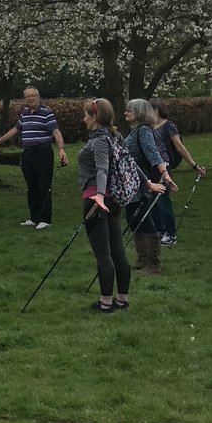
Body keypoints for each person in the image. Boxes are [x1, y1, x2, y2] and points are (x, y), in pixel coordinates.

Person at [77, 99, 165, 312]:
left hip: (97, 201)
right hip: (115, 201)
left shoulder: (99, 140)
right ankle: (122, 300)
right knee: (118, 250)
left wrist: (98, 195)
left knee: (103, 254)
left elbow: (102, 169)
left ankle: (105, 303)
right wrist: (148, 183)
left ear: (95, 117)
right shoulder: (115, 137)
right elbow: (131, 162)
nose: (84, 119)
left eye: (86, 115)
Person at [0, 87, 69, 229]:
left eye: (33, 96)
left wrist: (61, 149)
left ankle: (45, 219)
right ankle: (34, 217)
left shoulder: (46, 112)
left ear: (38, 97)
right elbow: (15, 129)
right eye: (28, 96)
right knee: (32, 186)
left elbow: (55, 131)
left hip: (43, 153)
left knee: (43, 186)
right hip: (28, 153)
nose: (31, 98)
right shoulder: (24, 113)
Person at [124, 99, 178, 274]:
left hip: (142, 180)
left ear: (139, 112)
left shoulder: (144, 131)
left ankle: (153, 264)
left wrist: (165, 174)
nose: (125, 113)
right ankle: (142, 260)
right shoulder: (134, 131)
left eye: (129, 110)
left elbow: (153, 153)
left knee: (143, 219)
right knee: (134, 219)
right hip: (131, 180)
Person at [149, 99, 206, 247]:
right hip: (150, 167)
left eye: (151, 108)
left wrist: (194, 165)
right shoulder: (147, 127)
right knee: (152, 201)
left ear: (158, 109)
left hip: (164, 166)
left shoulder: (169, 126)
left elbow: (179, 147)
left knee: (162, 200)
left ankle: (171, 233)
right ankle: (159, 231)